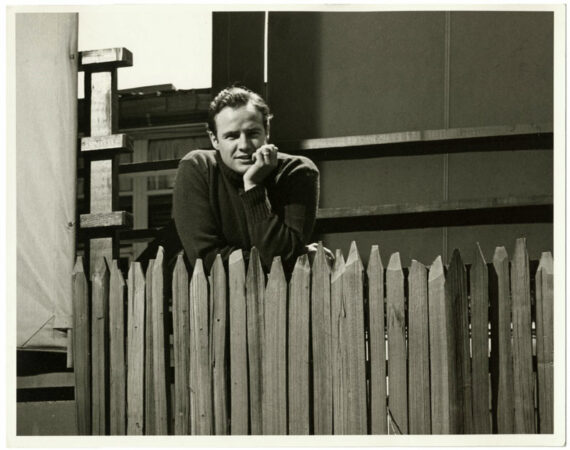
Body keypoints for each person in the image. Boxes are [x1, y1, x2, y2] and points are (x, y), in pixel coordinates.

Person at [172, 86, 322, 272]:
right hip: (209, 296)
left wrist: (252, 187)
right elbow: (208, 260)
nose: (243, 145)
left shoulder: (298, 171)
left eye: (252, 134)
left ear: (266, 131)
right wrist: (292, 258)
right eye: (232, 136)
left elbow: (282, 258)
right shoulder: (197, 168)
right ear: (214, 139)